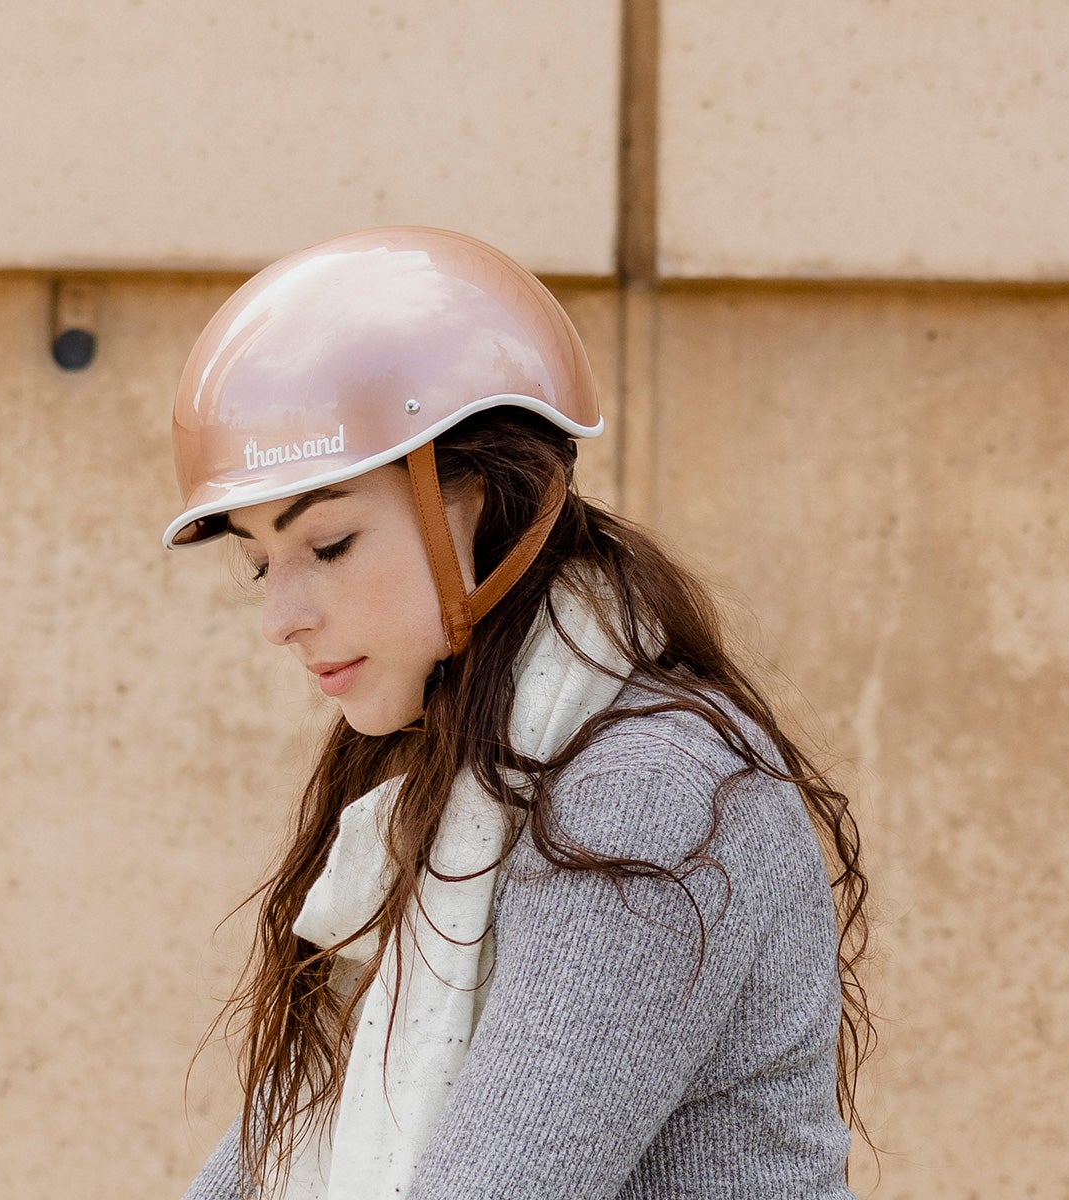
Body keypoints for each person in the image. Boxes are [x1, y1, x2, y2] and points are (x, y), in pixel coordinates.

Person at [164, 227, 874, 1200]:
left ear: (488, 497)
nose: (279, 618)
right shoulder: (450, 784)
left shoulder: (645, 795)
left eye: (326, 544)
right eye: (257, 562)